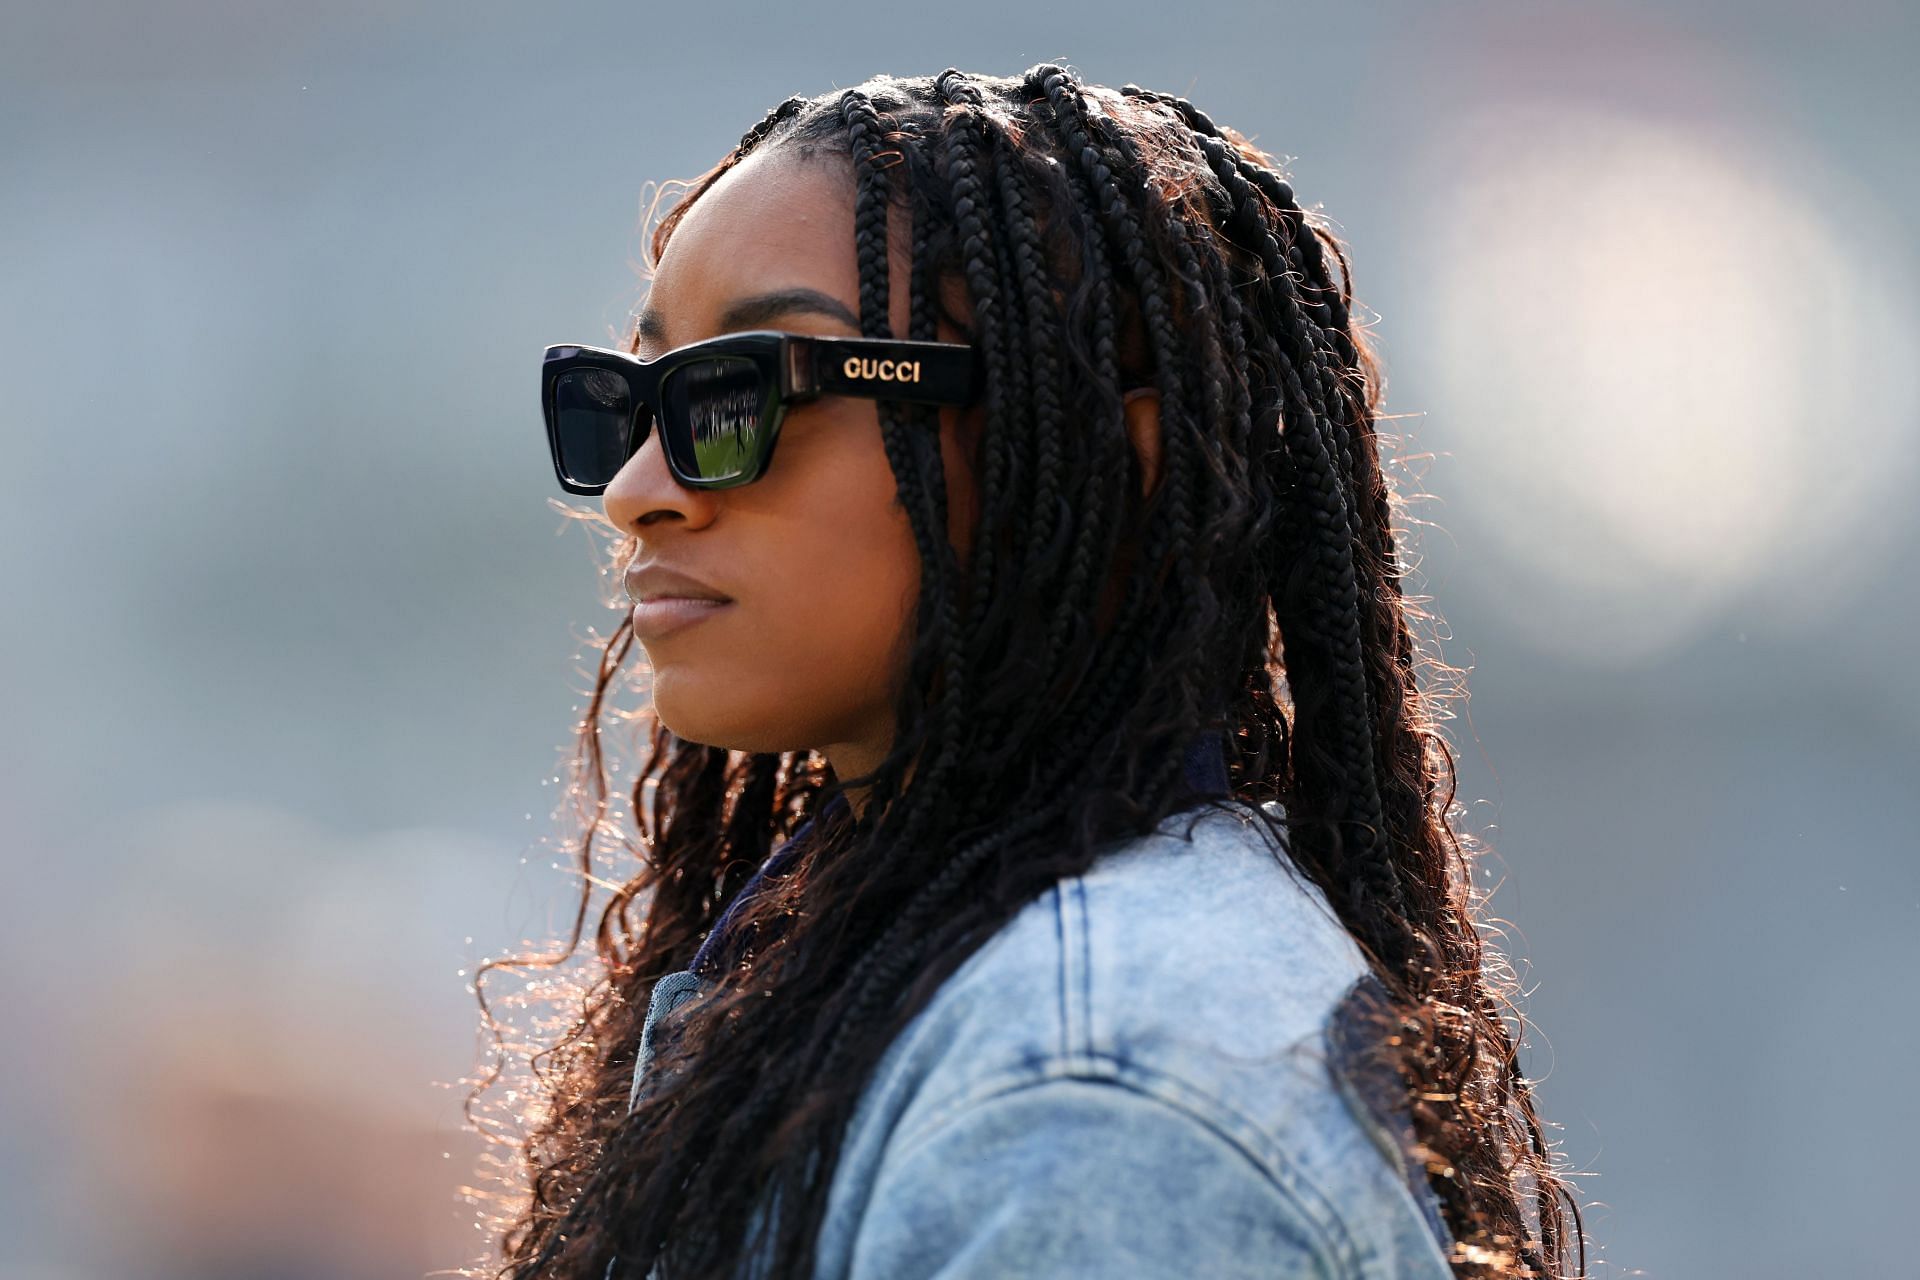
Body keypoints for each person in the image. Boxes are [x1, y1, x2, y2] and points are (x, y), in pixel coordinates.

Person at [477, 63, 1587, 1280]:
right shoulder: (907, 950)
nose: (638, 491)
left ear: (1123, 458)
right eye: (622, 404)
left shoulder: (1096, 1106)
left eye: (743, 395)